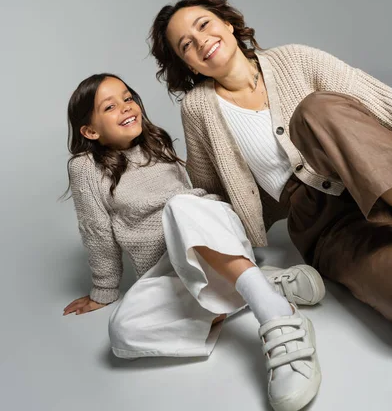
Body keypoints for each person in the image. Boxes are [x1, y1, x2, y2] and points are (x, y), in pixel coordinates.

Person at [63, 72, 324, 411]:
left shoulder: (157, 143)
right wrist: (104, 290)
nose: (127, 108)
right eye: (110, 107)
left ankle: (276, 316)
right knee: (123, 332)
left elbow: (196, 202)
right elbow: (96, 231)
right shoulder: (85, 167)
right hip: (171, 269)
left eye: (128, 98)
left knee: (180, 205)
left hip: (210, 236)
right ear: (90, 131)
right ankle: (261, 285)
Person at [149, 0, 392, 326]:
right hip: (327, 226)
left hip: (379, 173)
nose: (201, 42)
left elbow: (382, 102)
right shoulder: (198, 109)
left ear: (227, 24)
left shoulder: (294, 58)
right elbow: (212, 194)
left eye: (204, 25)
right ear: (189, 65)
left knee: (314, 110)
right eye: (186, 45)